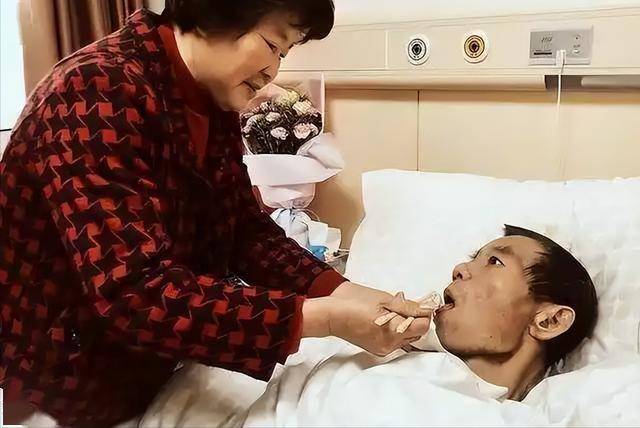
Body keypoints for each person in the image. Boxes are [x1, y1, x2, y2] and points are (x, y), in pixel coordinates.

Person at [0, 1, 430, 426]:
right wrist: (325, 318)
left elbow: (243, 230)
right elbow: (134, 293)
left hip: (145, 372)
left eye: (283, 54)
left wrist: (342, 291)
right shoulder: (95, 91)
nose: (272, 71)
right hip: (52, 382)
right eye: (271, 45)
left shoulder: (208, 96)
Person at [233, 225, 599, 426]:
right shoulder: (374, 355)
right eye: (474, 258)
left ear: (549, 320)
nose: (460, 268)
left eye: (495, 263)